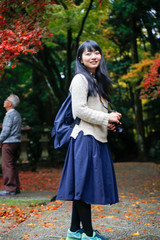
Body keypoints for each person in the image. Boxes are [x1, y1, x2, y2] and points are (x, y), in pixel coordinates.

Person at [56, 40, 122, 240]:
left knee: (81, 185)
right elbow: (79, 111)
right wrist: (105, 118)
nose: (94, 56)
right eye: (88, 53)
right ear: (80, 59)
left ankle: (74, 231)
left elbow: (94, 110)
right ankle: (88, 234)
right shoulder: (80, 79)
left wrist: (108, 121)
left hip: (95, 138)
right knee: (84, 187)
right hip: (85, 139)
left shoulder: (95, 80)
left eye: (97, 52)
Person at [0, 94, 22, 196]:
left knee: (7, 165)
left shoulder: (9, 114)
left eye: (6, 100)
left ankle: (10, 188)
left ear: (10, 103)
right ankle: (15, 187)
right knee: (12, 165)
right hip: (16, 141)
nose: (4, 101)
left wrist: (0, 140)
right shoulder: (16, 114)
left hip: (9, 142)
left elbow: (6, 131)